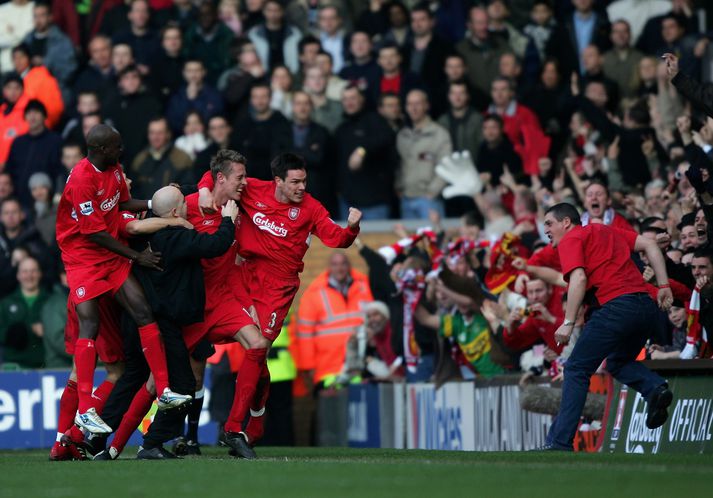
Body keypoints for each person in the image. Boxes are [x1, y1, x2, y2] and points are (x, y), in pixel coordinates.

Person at [197, 151, 362, 457]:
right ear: (278, 182)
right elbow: (216, 175)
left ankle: (247, 424)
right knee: (244, 347)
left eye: (304, 181)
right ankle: (241, 425)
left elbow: (335, 238)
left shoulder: (311, 208)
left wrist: (351, 227)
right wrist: (205, 190)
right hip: (243, 274)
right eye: (295, 182)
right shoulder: (253, 189)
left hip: (278, 286)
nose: (302, 187)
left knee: (257, 351)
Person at [55, 124, 191, 434]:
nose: (122, 151)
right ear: (101, 150)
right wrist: (136, 257)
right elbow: (94, 233)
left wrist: (156, 205)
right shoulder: (81, 180)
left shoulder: (114, 169)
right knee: (89, 323)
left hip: (108, 253)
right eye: (116, 146)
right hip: (82, 256)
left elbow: (121, 204)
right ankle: (86, 410)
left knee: (143, 311)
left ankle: (166, 391)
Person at [93, 185, 238, 460]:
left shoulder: (141, 235)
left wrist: (202, 189)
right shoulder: (177, 237)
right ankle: (152, 443)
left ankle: (95, 436)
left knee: (132, 378)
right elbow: (215, 245)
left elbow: (141, 222)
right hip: (161, 326)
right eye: (184, 203)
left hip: (134, 321)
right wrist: (228, 219)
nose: (187, 206)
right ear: (174, 212)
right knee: (183, 385)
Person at [541, 202, 673, 451]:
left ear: (566, 222)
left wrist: (568, 323)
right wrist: (664, 286)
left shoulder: (572, 238)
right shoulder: (605, 230)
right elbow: (650, 244)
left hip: (615, 307)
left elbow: (578, 278)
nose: (545, 229)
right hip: (645, 307)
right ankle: (654, 388)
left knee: (577, 369)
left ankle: (559, 443)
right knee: (618, 362)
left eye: (549, 223)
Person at [295, 252, 373, 389]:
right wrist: (308, 367)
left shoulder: (365, 287)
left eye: (343, 263)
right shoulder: (314, 294)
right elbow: (305, 334)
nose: (339, 268)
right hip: (328, 368)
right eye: (335, 264)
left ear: (349, 266)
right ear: (329, 267)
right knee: (332, 409)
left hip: (359, 366)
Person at [396, 89, 452, 219]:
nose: (413, 108)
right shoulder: (402, 135)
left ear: (426, 105)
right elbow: (398, 165)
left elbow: (446, 166)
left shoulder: (439, 134)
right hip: (406, 199)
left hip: (429, 200)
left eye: (418, 103)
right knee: (409, 239)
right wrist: (399, 187)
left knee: (433, 239)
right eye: (410, 104)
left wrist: (432, 193)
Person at [5, 100, 63, 212]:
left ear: (44, 116)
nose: (32, 116)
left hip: (46, 201)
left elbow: (59, 172)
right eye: (29, 113)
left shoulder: (56, 141)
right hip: (19, 201)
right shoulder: (18, 142)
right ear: (25, 117)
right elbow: (10, 169)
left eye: (36, 112)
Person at [0, 257, 48, 369]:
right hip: (14, 365)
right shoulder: (5, 303)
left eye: (33, 271)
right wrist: (16, 333)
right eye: (25, 271)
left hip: (45, 365)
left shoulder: (51, 301)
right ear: (18, 275)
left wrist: (48, 331)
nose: (29, 276)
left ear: (40, 274)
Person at [130, 117, 194, 200]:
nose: (155, 137)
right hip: (143, 209)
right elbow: (134, 190)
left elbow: (188, 190)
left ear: (168, 134)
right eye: (152, 133)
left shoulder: (182, 159)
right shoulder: (139, 160)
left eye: (160, 133)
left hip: (171, 210)